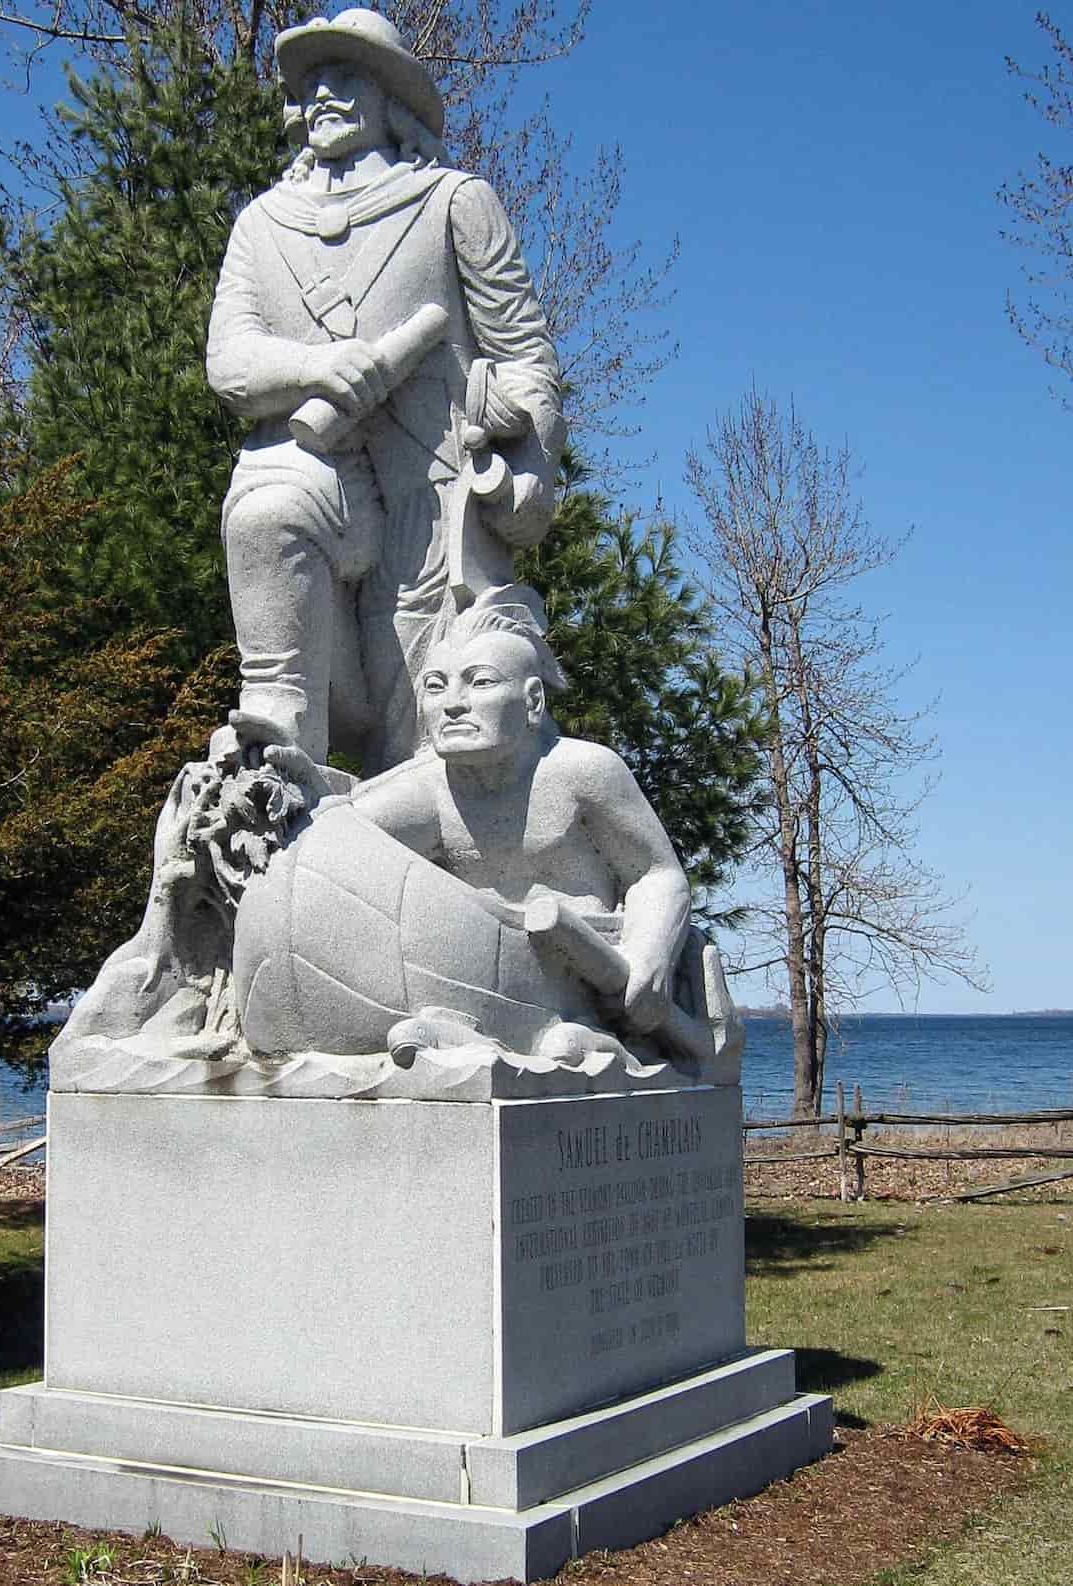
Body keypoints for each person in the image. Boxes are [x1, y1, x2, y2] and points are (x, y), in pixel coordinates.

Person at [206, 9, 565, 776]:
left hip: (430, 493)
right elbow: (229, 361)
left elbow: (524, 351)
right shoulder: (261, 225)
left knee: (428, 739)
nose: (327, 94)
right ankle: (279, 753)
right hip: (310, 472)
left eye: (350, 76)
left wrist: (522, 462)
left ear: (394, 97)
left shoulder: (453, 201)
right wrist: (314, 371)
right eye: (314, 81)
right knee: (266, 513)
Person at [237, 591, 739, 1070]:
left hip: (583, 971)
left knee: (568, 1038)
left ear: (533, 702)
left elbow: (657, 873)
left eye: (479, 682)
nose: (453, 703)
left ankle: (571, 1039)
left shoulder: (581, 772)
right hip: (479, 963)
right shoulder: (432, 786)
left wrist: (649, 956)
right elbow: (339, 832)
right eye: (436, 686)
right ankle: (472, 1033)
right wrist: (299, 781)